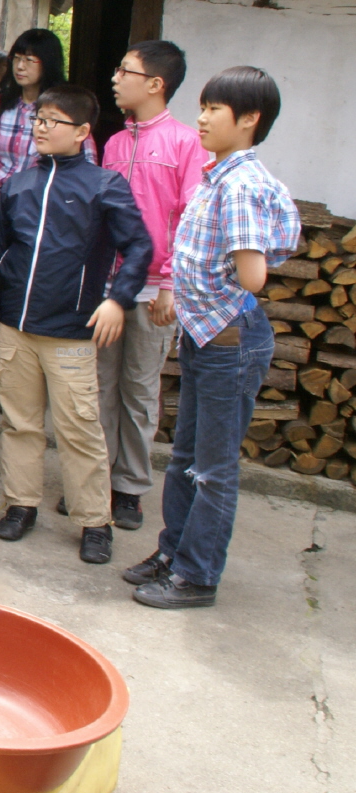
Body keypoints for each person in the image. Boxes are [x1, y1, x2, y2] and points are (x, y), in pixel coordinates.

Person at [126, 67, 298, 610]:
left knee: (214, 468)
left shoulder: (242, 184)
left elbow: (253, 277)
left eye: (214, 110)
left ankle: (197, 576)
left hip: (230, 336)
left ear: (249, 120)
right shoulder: (216, 172)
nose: (201, 118)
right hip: (207, 335)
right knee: (185, 457)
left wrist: (219, 280)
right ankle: (173, 553)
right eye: (201, 107)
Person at [0, 86, 151, 567]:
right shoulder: (17, 186)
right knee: (20, 425)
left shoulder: (104, 185)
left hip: (71, 333)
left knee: (80, 430)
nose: (42, 128)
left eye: (54, 121)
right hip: (16, 330)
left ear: (83, 132)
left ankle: (94, 522)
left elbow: (140, 248)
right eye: (38, 120)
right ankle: (20, 505)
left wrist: (117, 301)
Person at [97, 41, 209, 531]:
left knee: (140, 391)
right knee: (100, 388)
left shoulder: (187, 142)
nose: (116, 78)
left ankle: (129, 489)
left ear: (156, 83)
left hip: (155, 290)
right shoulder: (115, 143)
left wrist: (170, 286)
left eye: (126, 70)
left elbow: (189, 219)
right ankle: (94, 482)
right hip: (109, 288)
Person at [0, 28, 84, 396]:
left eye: (31, 59)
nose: (21, 65)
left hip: (41, 212)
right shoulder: (1, 104)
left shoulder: (62, 110)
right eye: (17, 57)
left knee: (26, 283)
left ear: (47, 64)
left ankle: (28, 371)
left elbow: (81, 168)